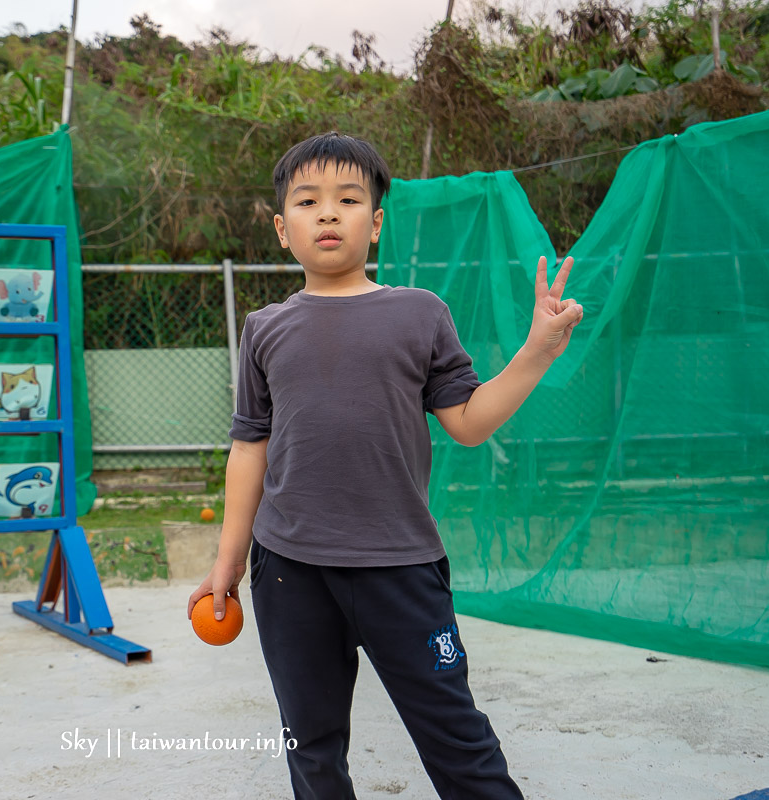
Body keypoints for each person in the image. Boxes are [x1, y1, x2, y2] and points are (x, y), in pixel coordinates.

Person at [187, 131, 583, 799]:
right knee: (310, 746)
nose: (329, 213)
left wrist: (536, 352)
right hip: (288, 573)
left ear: (375, 223)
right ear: (284, 230)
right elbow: (250, 445)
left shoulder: (420, 314)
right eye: (308, 202)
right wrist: (228, 561)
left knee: (458, 740)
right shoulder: (265, 327)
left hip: (400, 568)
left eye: (348, 199)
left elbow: (468, 423)